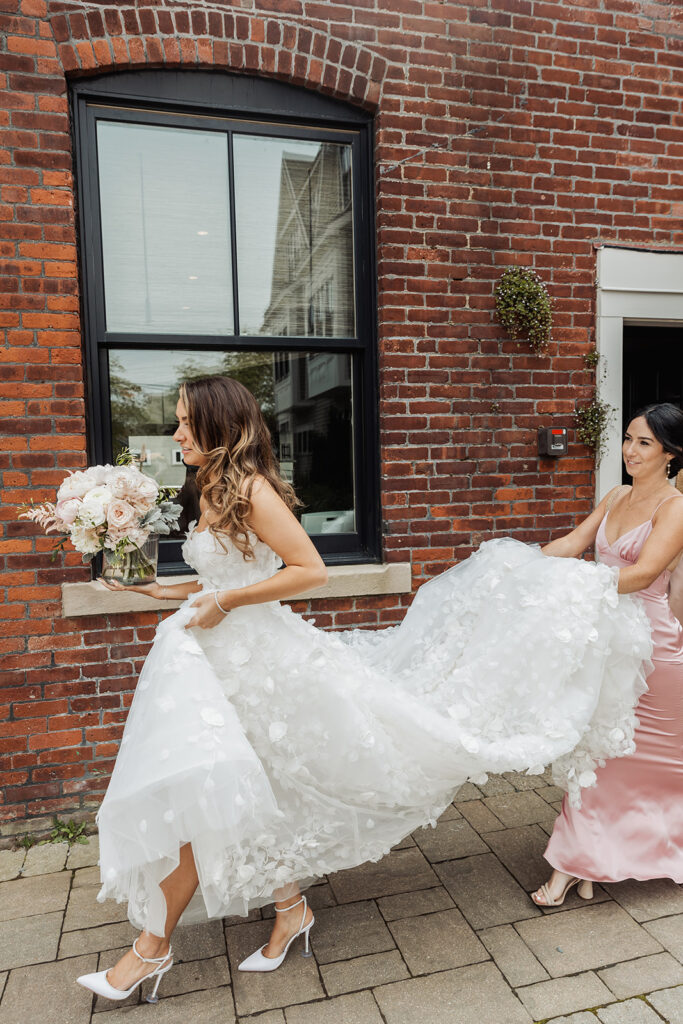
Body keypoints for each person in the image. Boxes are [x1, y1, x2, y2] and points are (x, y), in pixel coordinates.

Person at [77, 376, 652, 1002]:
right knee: (251, 789)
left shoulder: (253, 489)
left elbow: (309, 572)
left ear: (218, 426)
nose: (178, 433)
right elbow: (215, 579)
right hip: (218, 662)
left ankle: (149, 953)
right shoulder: (207, 489)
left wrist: (228, 598)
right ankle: (287, 909)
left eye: (187, 422)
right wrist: (152, 590)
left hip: (262, 664)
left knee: (210, 793)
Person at [532, 403, 683, 907]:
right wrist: (520, 564)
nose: (629, 450)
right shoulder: (615, 494)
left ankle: (578, 864)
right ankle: (582, 860)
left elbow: (643, 576)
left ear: (670, 453)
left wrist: (579, 585)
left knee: (650, 765)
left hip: (654, 652)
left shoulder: (675, 507)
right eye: (627, 439)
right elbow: (576, 541)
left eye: (643, 442)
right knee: (593, 752)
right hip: (604, 642)